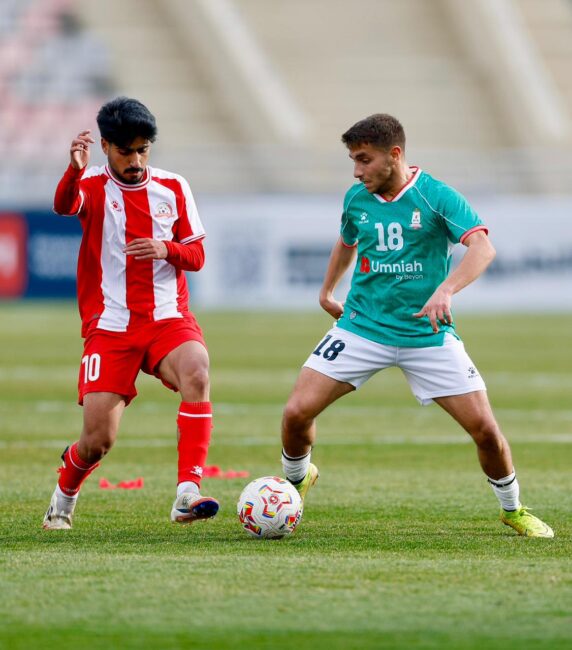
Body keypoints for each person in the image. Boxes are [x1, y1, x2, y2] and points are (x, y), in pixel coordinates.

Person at [281, 113, 553, 538]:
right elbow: (347, 240)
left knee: (485, 431)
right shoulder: (356, 198)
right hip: (361, 328)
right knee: (296, 413)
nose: (357, 172)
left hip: (426, 335)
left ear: (395, 154)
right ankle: (295, 485)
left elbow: (482, 249)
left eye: (364, 160)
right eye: (353, 161)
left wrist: (446, 290)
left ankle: (513, 509)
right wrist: (327, 290)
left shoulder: (436, 197)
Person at [43, 97, 219, 529]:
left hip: (167, 318)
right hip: (110, 326)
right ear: (106, 146)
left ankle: (187, 492)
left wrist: (165, 248)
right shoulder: (91, 185)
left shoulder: (174, 187)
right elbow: (64, 206)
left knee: (197, 370)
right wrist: (73, 170)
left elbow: (197, 256)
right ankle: (64, 494)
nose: (136, 161)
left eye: (144, 150)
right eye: (126, 151)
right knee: (97, 441)